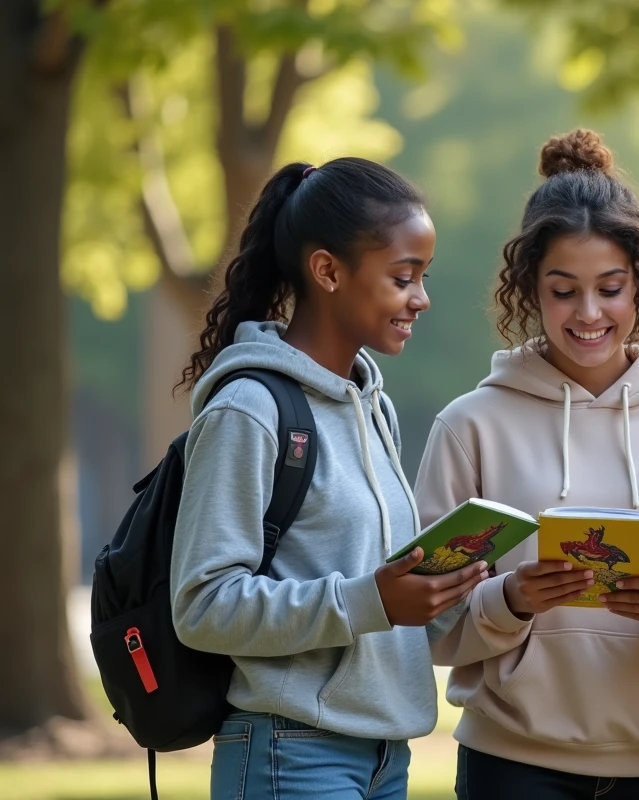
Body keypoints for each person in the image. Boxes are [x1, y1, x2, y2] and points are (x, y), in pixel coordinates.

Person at [414, 129, 639, 800]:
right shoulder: (470, 426)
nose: (589, 313)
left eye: (610, 288)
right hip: (510, 768)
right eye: (564, 290)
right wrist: (509, 600)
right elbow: (426, 617)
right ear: (530, 291)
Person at [170, 157, 487, 800]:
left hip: (384, 761)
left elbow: (382, 610)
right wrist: (370, 598)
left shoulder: (374, 408)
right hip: (291, 754)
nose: (421, 299)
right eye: (404, 278)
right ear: (328, 271)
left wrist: (481, 590)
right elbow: (202, 606)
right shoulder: (250, 410)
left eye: (423, 277)